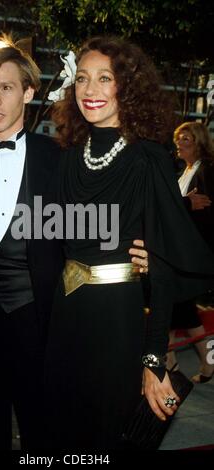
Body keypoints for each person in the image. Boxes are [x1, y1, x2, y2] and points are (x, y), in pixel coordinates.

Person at [0, 39, 148, 450]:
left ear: (29, 92)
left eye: (6, 87)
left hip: (40, 321)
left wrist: (143, 252)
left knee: (44, 434)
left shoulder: (59, 159)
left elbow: (97, 220)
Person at [42, 36, 214, 449]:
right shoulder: (66, 156)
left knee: (106, 436)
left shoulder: (149, 159)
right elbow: (49, 240)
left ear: (127, 87)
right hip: (64, 317)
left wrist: (154, 359)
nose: (90, 89)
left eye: (105, 78)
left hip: (116, 319)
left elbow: (167, 268)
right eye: (82, 79)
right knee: (58, 438)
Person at [167, 122, 214, 383]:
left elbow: (206, 214)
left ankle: (169, 362)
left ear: (198, 141)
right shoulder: (184, 171)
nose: (179, 142)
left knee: (174, 304)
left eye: (185, 138)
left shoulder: (206, 171)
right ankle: (202, 364)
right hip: (180, 253)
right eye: (177, 138)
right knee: (181, 309)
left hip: (193, 254)